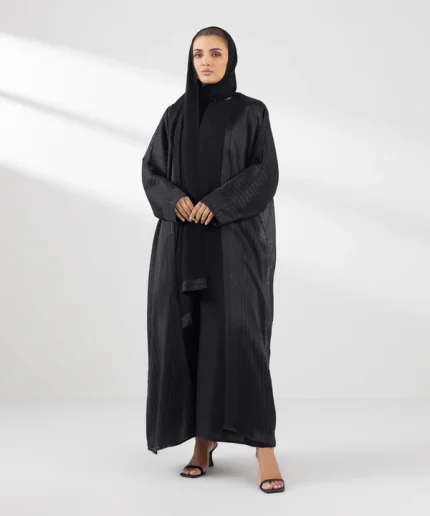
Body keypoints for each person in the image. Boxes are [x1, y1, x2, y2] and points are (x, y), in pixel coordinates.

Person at [141, 26, 284, 494]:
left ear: (230, 59)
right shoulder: (175, 115)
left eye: (215, 53)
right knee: (191, 341)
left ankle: (264, 448)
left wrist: (217, 205)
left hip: (233, 249)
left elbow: (264, 173)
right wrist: (175, 200)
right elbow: (151, 170)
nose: (205, 61)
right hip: (183, 248)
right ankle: (203, 442)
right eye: (198, 53)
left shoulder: (251, 113)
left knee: (243, 341)